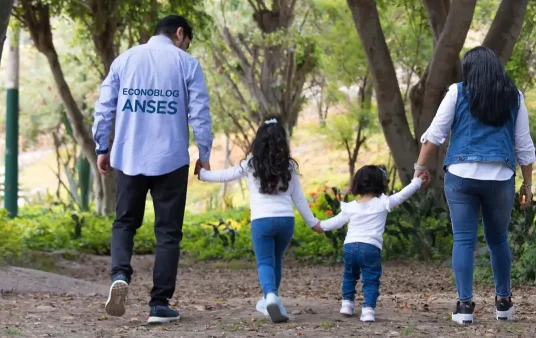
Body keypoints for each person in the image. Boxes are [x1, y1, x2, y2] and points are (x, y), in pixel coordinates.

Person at [91, 15, 213, 324]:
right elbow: (199, 111)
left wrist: (102, 148)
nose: (185, 46)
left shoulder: (125, 60)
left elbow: (104, 106)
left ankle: (119, 274)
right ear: (180, 33)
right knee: (168, 233)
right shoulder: (187, 64)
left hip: (129, 156)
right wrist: (204, 152)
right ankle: (159, 305)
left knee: (124, 223)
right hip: (170, 159)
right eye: (187, 41)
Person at [414, 46, 535, 324]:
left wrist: (420, 167)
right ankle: (503, 303)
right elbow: (524, 145)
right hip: (500, 177)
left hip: (461, 175)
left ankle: (465, 307)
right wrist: (527, 184)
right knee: (498, 240)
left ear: (469, 70)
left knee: (464, 241)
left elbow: (436, 134)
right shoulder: (514, 96)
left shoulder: (457, 92)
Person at [198, 118, 320, 323]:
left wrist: (202, 173)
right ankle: (271, 299)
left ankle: (270, 296)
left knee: (265, 262)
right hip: (285, 221)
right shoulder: (288, 166)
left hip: (262, 221)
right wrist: (313, 222)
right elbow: (299, 198)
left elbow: (224, 176)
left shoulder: (250, 165)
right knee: (275, 260)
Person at [313, 165, 424, 322]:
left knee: (349, 275)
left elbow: (335, 222)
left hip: (350, 247)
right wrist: (417, 181)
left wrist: (320, 226)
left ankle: (347, 304)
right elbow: (402, 195)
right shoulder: (382, 203)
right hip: (370, 248)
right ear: (380, 184)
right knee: (371, 279)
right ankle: (368, 310)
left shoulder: (350, 207)